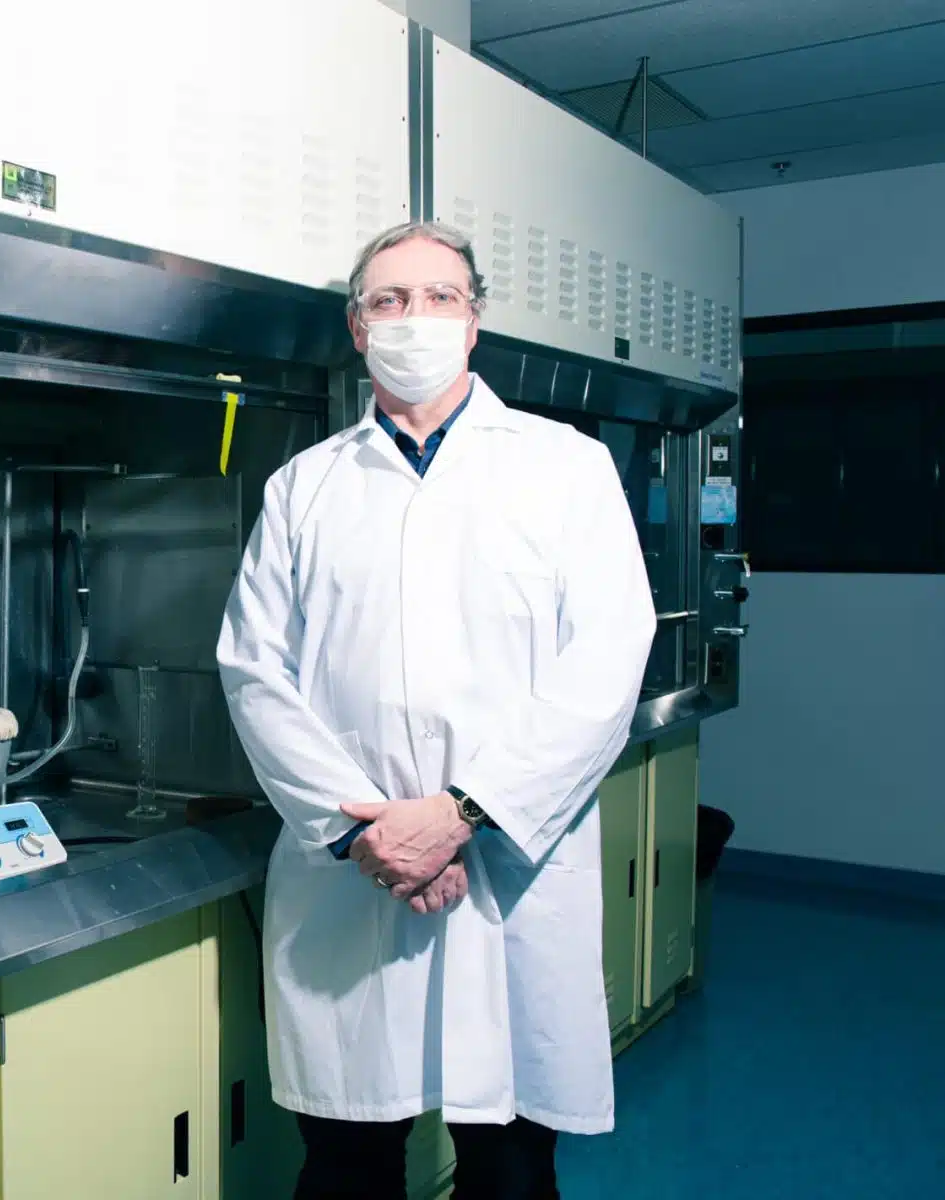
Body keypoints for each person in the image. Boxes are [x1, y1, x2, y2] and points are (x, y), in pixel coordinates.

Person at [215, 220, 657, 1200]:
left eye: (438, 297)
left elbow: (604, 664)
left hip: (507, 868)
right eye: (388, 300)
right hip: (354, 872)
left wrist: (456, 815)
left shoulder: (564, 469)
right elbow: (253, 669)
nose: (414, 318)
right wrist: (364, 831)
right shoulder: (304, 487)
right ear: (357, 328)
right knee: (344, 1162)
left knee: (507, 1164)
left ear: (475, 319)